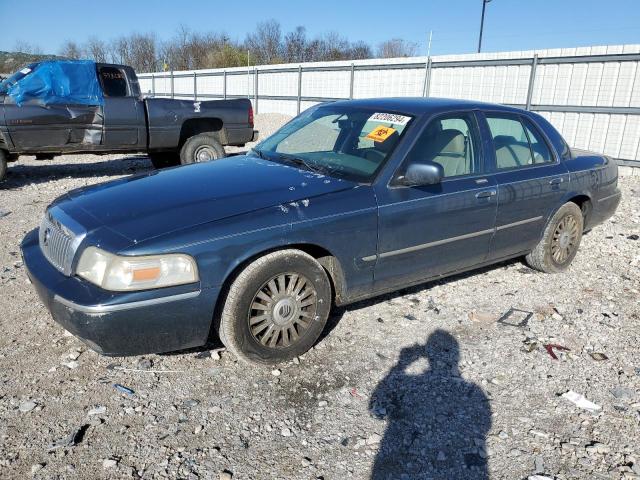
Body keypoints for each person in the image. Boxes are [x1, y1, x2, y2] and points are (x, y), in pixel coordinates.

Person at [369, 330, 492, 479]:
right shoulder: (473, 389)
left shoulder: (468, 389)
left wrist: (401, 365)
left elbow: (376, 410)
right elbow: (485, 423)